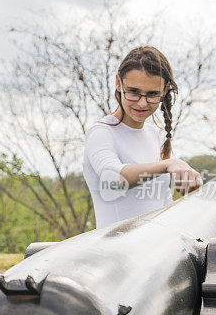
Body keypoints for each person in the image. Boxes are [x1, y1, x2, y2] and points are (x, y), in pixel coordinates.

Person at [82, 46, 203, 229]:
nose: (142, 102)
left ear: (165, 90)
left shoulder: (152, 134)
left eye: (153, 94)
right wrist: (169, 164)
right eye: (133, 92)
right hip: (114, 253)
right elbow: (113, 178)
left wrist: (192, 193)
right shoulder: (101, 133)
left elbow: (162, 203)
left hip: (153, 251)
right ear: (118, 83)